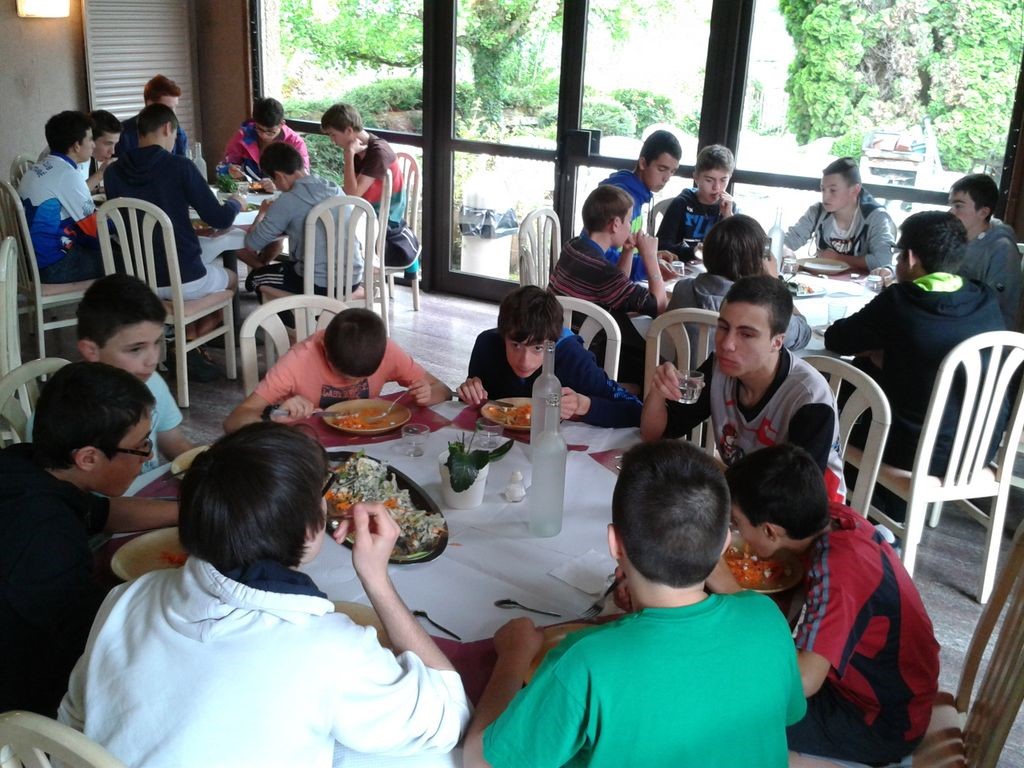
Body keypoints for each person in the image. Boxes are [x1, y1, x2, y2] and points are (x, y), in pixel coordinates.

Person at [59, 422, 470, 766]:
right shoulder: (329, 650)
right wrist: (376, 580)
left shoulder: (128, 596)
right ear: (310, 529)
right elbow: (450, 717)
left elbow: (73, 720)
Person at [464, 440, 805, 767]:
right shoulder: (766, 618)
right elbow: (780, 715)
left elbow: (481, 762)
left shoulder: (585, 661)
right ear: (724, 545)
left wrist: (512, 656)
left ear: (615, 544)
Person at [715, 444, 939, 765]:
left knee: (723, 714)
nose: (737, 532)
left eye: (737, 523)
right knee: (733, 673)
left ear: (770, 531)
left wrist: (725, 583)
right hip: (884, 693)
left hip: (881, 722)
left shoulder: (840, 570)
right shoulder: (833, 519)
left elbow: (805, 681)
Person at [0, 362, 176, 717]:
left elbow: (101, 512)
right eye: (141, 446)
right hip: (26, 704)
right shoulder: (48, 542)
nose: (148, 456)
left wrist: (191, 513)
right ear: (88, 458)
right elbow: (100, 640)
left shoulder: (26, 464)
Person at [824, 211, 1004, 492]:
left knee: (833, 386)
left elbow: (836, 339)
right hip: (978, 448)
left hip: (913, 453)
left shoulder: (900, 301)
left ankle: (845, 497)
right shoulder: (985, 298)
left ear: (910, 258)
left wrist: (880, 354)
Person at [642, 275, 847, 502]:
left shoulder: (809, 398)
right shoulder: (720, 368)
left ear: (777, 342)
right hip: (746, 497)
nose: (727, 344)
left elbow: (795, 501)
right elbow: (655, 434)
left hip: (807, 512)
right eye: (723, 327)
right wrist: (659, 391)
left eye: (746, 334)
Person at [104, 103, 242, 380]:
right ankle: (188, 343)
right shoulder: (179, 166)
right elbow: (218, 218)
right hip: (184, 278)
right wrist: (236, 203)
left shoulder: (112, 173)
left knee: (199, 266)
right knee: (231, 278)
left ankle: (177, 340)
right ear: (168, 128)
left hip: (138, 281)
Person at [224, 307, 451, 432]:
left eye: (362, 378)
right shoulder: (299, 361)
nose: (353, 384)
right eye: (343, 376)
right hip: (306, 444)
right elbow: (233, 421)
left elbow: (443, 390)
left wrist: (428, 395)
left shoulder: (386, 350)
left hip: (365, 438)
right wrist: (274, 415)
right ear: (324, 347)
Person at [456, 285, 642, 428]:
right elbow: (475, 406)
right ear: (503, 335)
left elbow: (636, 410)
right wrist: (470, 394)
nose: (524, 361)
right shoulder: (487, 345)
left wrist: (585, 405)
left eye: (538, 348)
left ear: (553, 341)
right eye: (516, 345)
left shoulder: (574, 359)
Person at [549, 184, 667, 386]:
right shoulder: (603, 272)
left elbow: (616, 288)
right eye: (629, 221)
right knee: (660, 365)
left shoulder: (573, 246)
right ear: (615, 224)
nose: (631, 227)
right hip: (589, 352)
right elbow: (659, 306)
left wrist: (627, 252)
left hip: (560, 339)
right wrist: (650, 256)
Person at [76, 275, 194, 472]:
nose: (152, 360)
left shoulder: (152, 382)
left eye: (157, 342)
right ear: (91, 351)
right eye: (136, 349)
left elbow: (174, 442)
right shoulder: (69, 409)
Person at [668, 214, 810, 358]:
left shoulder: (683, 288)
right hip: (738, 372)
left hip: (684, 372)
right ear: (758, 262)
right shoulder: (763, 307)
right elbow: (803, 335)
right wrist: (774, 284)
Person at [242, 142, 364, 301]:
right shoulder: (334, 188)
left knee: (254, 279)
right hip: (352, 278)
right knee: (286, 268)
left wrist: (262, 214)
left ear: (279, 176)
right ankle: (315, 310)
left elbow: (252, 243)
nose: (276, 186)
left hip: (315, 282)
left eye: (274, 180)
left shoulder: (287, 200)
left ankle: (297, 316)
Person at [18, 110, 104, 283]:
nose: (94, 145)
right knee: (126, 260)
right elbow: (94, 230)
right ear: (76, 146)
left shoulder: (38, 167)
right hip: (53, 265)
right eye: (90, 139)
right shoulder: (67, 174)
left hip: (30, 262)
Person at [588, 129, 681, 281]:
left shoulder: (638, 195)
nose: (667, 178)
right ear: (643, 163)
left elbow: (626, 248)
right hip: (601, 285)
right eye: (662, 169)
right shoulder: (618, 199)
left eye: (672, 171)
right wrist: (648, 264)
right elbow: (599, 257)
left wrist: (650, 255)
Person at [784, 157, 896, 272]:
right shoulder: (817, 212)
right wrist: (786, 252)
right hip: (820, 280)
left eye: (833, 190)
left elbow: (882, 261)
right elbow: (787, 241)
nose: (825, 197)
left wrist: (837, 258)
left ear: (855, 190)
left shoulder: (876, 217)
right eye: (823, 189)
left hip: (860, 282)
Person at [948, 173, 1021, 329]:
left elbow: (994, 304)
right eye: (951, 205)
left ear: (983, 212)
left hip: (986, 332)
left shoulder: (1002, 248)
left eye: (958, 206)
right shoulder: (956, 237)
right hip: (955, 318)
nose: (951, 212)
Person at [320, 102, 406, 228]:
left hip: (384, 218)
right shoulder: (358, 149)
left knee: (327, 227)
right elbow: (351, 190)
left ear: (349, 130)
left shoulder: (378, 152)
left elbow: (352, 195)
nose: (332, 140)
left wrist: (348, 154)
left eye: (333, 135)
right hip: (365, 209)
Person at [656, 143, 737, 260]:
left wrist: (728, 218)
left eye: (723, 180)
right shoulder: (682, 203)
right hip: (682, 267)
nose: (716, 187)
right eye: (709, 180)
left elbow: (738, 251)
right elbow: (661, 246)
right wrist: (694, 252)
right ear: (696, 177)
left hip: (716, 269)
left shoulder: (730, 207)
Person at [222, 96, 310, 181]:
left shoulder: (295, 143)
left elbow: (303, 180)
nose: (264, 135)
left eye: (270, 131)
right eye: (259, 129)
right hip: (248, 189)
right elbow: (222, 168)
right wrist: (229, 170)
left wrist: (276, 186)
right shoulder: (243, 136)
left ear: (281, 124)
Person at [37, 109, 121, 195]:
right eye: (108, 144)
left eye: (115, 144)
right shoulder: (63, 154)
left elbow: (77, 188)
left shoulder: (84, 154)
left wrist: (97, 190)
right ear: (90, 136)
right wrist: (101, 173)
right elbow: (72, 195)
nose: (113, 151)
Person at [115, 74, 189, 157]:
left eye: (175, 107)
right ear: (150, 104)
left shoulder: (179, 134)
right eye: (167, 109)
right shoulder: (123, 135)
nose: (173, 114)